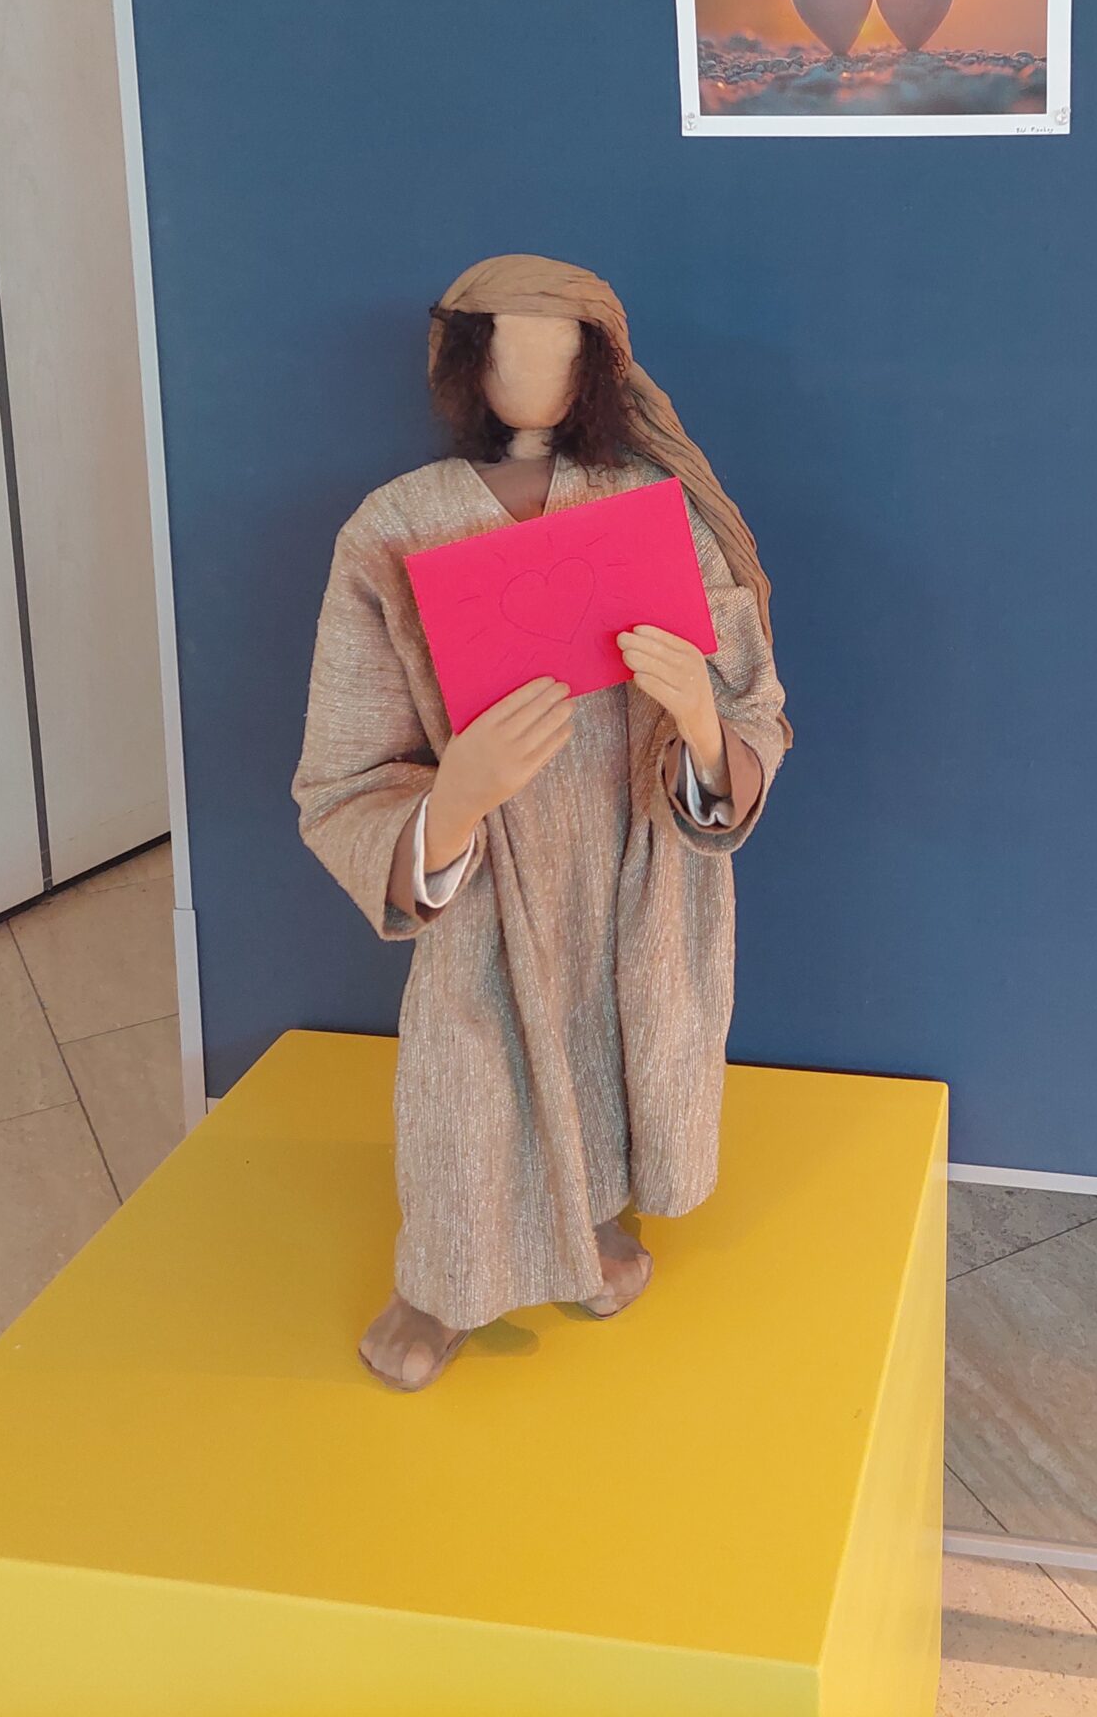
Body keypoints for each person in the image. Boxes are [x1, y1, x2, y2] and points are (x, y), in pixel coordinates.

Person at [293, 255, 788, 1391]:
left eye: (561, 356)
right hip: (492, 875)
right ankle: (442, 1284)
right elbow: (343, 769)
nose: (533, 379)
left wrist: (701, 721)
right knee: (470, 1086)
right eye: (507, 353)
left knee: (621, 1044)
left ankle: (589, 1228)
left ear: (599, 371)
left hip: (634, 856)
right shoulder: (397, 526)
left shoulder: (652, 508)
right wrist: (454, 798)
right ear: (465, 363)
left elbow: (754, 702)